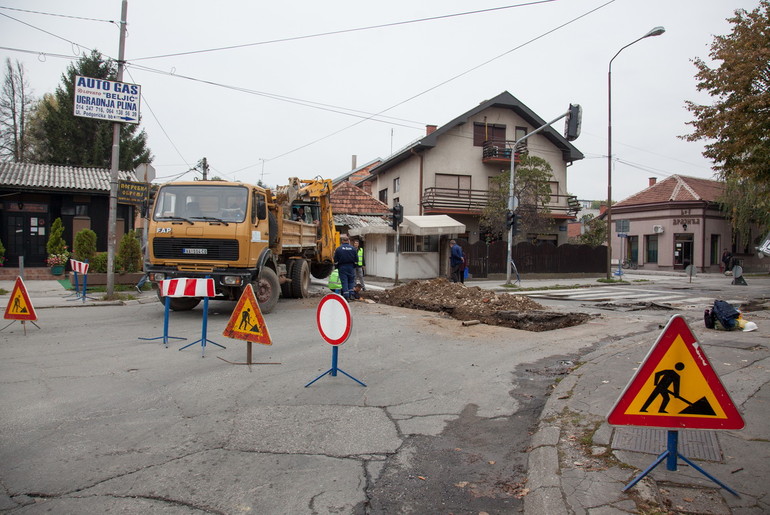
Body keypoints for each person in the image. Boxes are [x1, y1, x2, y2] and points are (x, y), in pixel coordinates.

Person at [333, 234, 357, 300]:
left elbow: (335, 260)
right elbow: (356, 260)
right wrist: (354, 266)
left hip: (342, 267)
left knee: (344, 281)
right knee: (351, 281)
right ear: (348, 241)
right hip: (351, 267)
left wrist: (337, 267)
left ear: (342, 241)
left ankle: (346, 296)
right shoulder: (353, 249)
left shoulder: (338, 249)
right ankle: (351, 295)